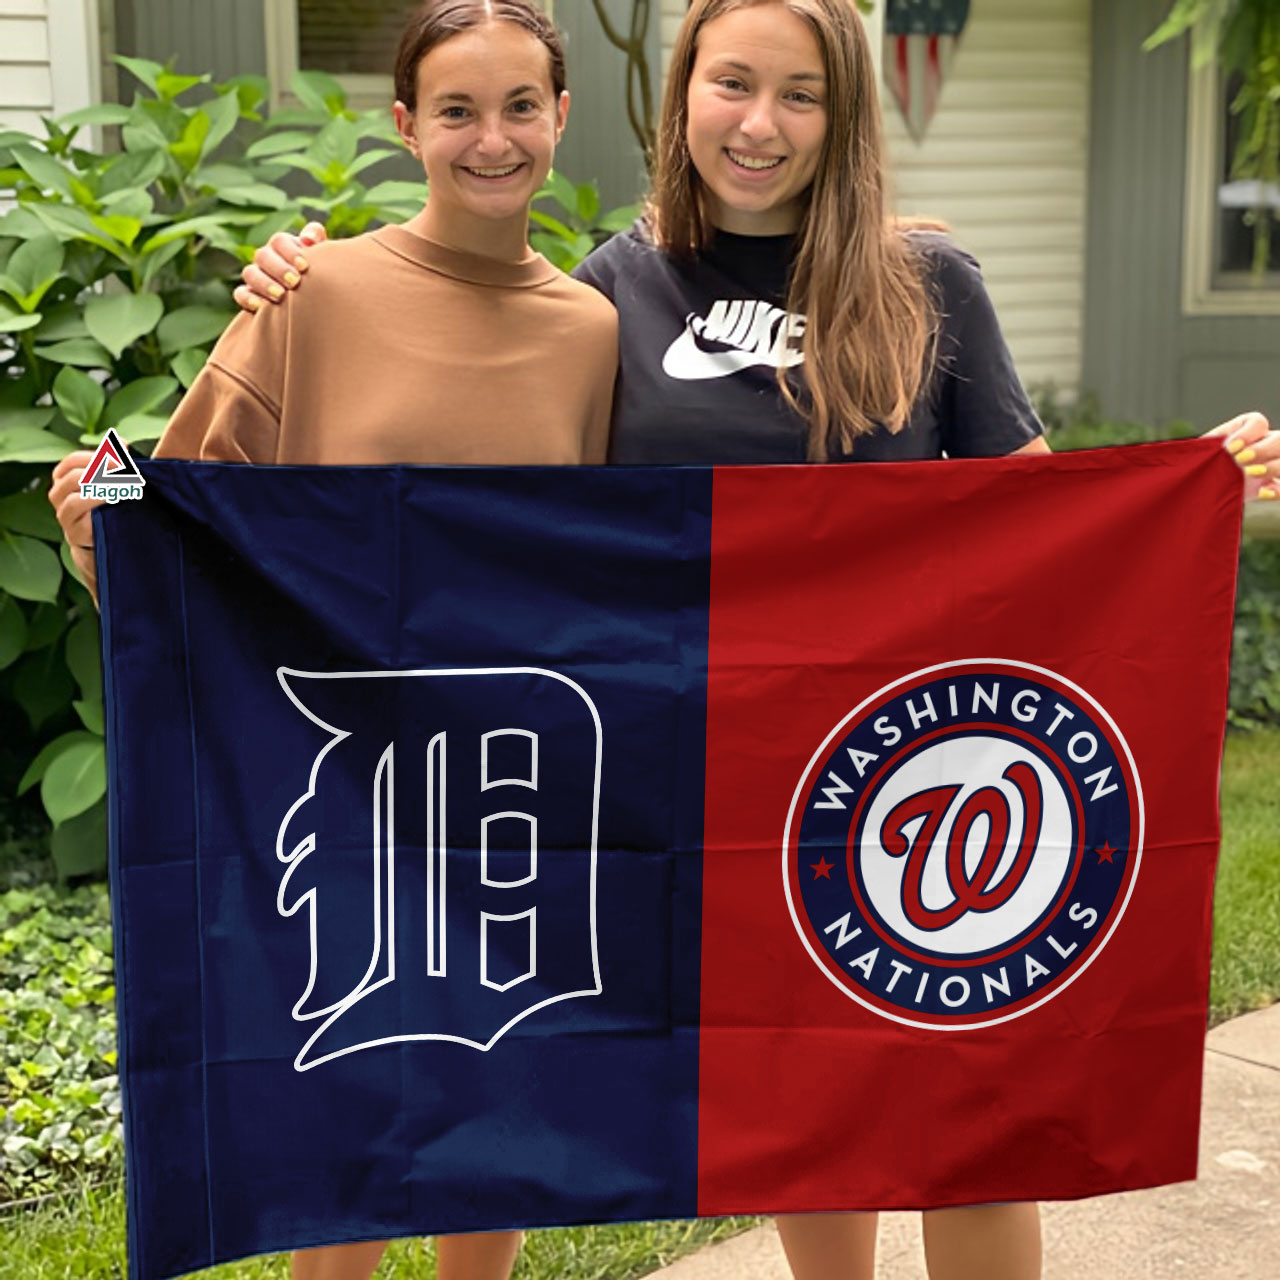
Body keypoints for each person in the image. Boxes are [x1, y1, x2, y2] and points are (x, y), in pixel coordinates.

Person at [230, 1, 1280, 1277]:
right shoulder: (615, 289)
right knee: (811, 1108)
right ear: (683, 97)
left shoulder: (925, 282)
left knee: (963, 1114)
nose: (760, 123)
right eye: (732, 83)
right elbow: (522, 497)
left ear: (843, 118)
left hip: (909, 763)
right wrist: (302, 283)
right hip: (712, 778)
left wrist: (1181, 490)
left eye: (800, 94)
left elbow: (1037, 521)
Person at [47, 4, 616, 1280]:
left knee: (492, 1094)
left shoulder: (591, 331)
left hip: (512, 775)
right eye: (456, 111)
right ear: (403, 123)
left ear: (561, 118)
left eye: (520, 107)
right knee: (348, 1103)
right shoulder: (318, 290)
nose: (491, 138)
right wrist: (97, 536)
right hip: (341, 771)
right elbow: (176, 502)